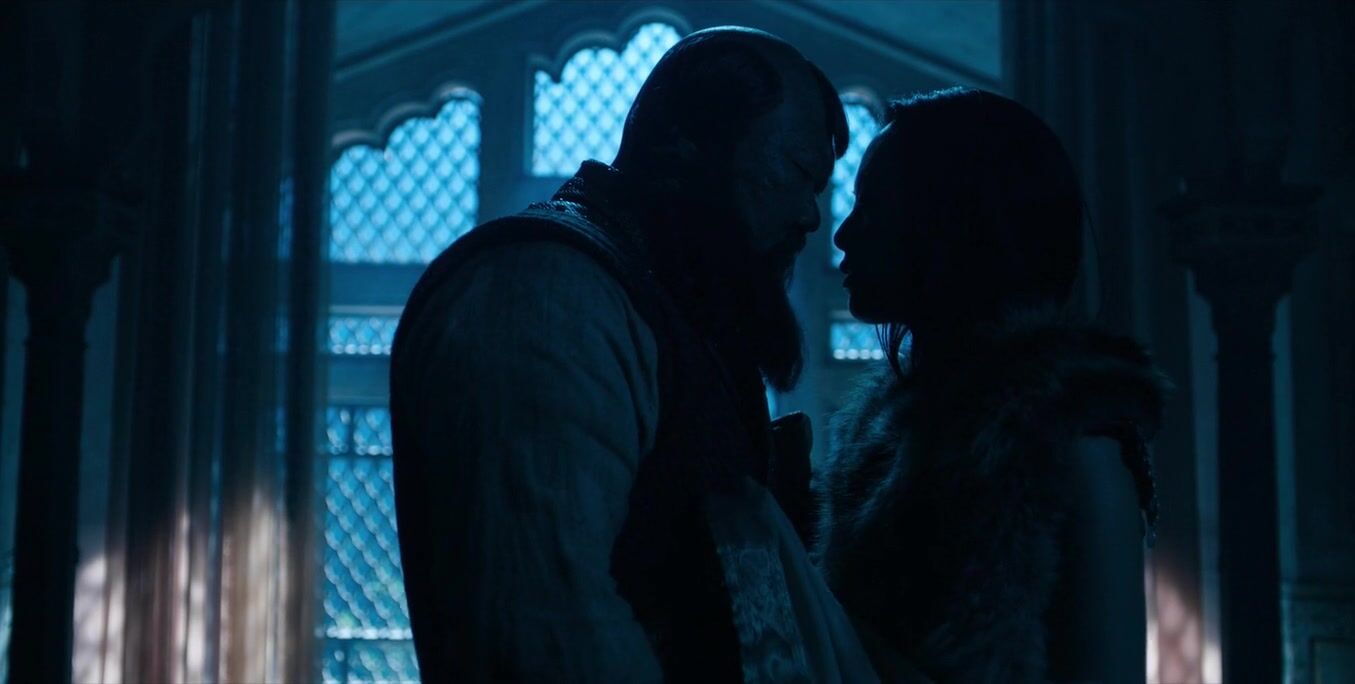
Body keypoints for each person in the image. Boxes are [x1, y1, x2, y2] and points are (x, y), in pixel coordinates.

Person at [390, 27, 880, 682]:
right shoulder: (544, 290)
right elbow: (549, 635)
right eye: (795, 173)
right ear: (689, 143)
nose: (810, 217)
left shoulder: (660, 304)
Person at [813, 87, 1171, 683]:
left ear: (954, 225)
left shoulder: (1071, 440)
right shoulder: (884, 437)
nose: (844, 236)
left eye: (875, 208)